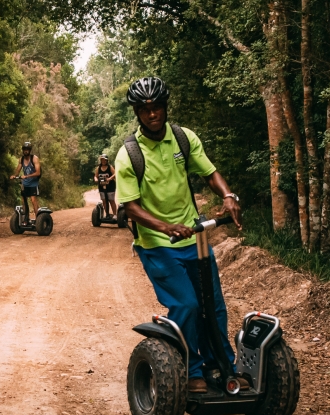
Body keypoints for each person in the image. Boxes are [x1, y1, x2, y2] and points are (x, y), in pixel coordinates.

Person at [115, 77, 243, 394]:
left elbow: (210, 173)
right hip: (157, 244)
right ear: (137, 113)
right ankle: (191, 370)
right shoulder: (129, 154)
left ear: (165, 107)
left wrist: (228, 196)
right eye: (144, 109)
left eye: (157, 107)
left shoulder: (184, 140)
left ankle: (222, 365)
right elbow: (130, 207)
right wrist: (165, 227)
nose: (152, 114)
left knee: (213, 306)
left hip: (194, 239)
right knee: (186, 304)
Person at [9, 141, 41, 222]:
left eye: (27, 149)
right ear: (23, 150)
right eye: (24, 149)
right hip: (25, 183)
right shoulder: (21, 159)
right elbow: (18, 169)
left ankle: (38, 219)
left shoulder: (34, 158)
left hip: (33, 183)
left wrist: (27, 176)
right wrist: (14, 175)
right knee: (24, 201)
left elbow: (38, 172)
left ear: (30, 150)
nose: (26, 151)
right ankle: (26, 218)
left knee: (33, 200)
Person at [93, 154, 117, 218]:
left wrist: (110, 178)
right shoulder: (98, 168)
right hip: (102, 186)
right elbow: (96, 176)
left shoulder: (110, 167)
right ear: (101, 160)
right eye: (102, 160)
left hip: (110, 186)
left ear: (107, 161)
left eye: (105, 160)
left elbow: (115, 173)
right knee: (104, 200)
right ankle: (107, 214)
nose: (103, 161)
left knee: (111, 200)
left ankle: (115, 215)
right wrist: (96, 179)